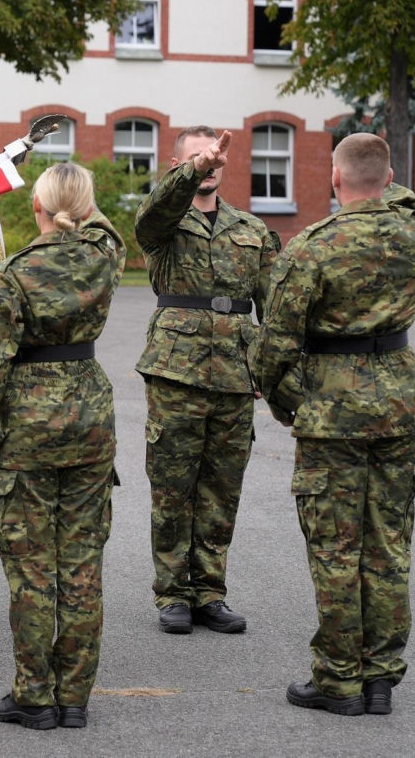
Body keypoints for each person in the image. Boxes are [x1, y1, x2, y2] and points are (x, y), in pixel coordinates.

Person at [250, 133, 415, 716]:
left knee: (336, 548)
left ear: (336, 180)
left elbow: (274, 348)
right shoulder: (409, 231)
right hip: (400, 406)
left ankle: (338, 679)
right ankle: (381, 680)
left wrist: (289, 400)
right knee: (390, 544)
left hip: (332, 414)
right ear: (390, 175)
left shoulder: (313, 246)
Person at [0, 162, 125, 730]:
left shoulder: (14, 274)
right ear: (87, 208)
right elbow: (106, 228)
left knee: (32, 568)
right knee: (82, 563)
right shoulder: (106, 259)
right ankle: (74, 696)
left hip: (30, 427)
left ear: (36, 209)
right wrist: (83, 206)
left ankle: (35, 695)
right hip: (91, 420)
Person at [134, 127, 279, 634]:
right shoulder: (165, 222)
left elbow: (274, 309)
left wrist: (266, 366)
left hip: (235, 374)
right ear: (176, 162)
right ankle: (172, 592)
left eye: (215, 156)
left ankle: (210, 591)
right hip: (178, 371)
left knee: (222, 487)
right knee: (173, 487)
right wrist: (191, 172)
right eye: (197, 156)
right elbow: (150, 215)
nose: (210, 162)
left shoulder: (252, 230)